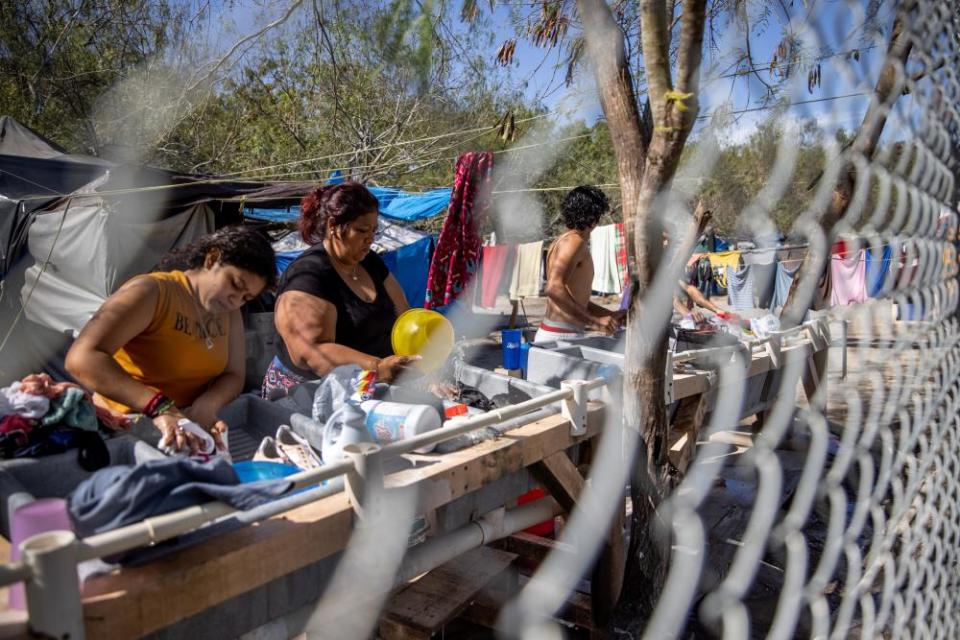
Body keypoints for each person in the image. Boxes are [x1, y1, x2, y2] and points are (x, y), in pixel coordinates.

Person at [66, 226, 276, 453]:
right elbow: (82, 358)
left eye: (246, 297)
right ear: (212, 259)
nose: (236, 301)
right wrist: (160, 408)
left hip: (183, 427)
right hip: (125, 427)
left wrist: (206, 406)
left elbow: (234, 375)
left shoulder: (229, 312)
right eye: (235, 285)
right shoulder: (152, 292)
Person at [264, 182, 419, 400]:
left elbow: (403, 315)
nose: (371, 239)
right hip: (307, 394)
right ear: (333, 226)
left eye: (374, 230)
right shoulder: (308, 276)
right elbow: (312, 353)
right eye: (362, 230)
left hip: (371, 384)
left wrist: (420, 365)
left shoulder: (371, 263)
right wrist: (378, 367)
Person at [534, 186, 624, 344]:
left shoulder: (563, 240)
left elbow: (576, 300)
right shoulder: (574, 242)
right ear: (592, 216)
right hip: (561, 336)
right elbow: (553, 288)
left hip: (559, 333)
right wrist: (595, 322)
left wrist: (608, 315)